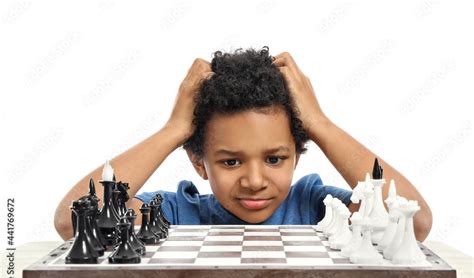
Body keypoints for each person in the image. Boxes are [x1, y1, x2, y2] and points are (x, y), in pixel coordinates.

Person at [54, 47, 432, 241]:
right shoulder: (177, 215)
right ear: (199, 163)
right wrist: (173, 129)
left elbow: (415, 225)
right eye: (231, 162)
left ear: (297, 156)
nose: (254, 180)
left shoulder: (318, 208)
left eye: (274, 158)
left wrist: (318, 123)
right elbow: (72, 222)